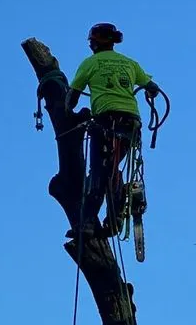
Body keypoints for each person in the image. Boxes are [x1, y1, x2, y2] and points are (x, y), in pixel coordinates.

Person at [65, 23, 159, 235]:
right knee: (111, 167)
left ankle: (88, 222)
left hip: (105, 122)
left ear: (94, 42)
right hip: (130, 123)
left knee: (99, 171)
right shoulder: (129, 63)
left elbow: (71, 98)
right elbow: (151, 87)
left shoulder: (90, 64)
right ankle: (115, 216)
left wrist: (67, 113)